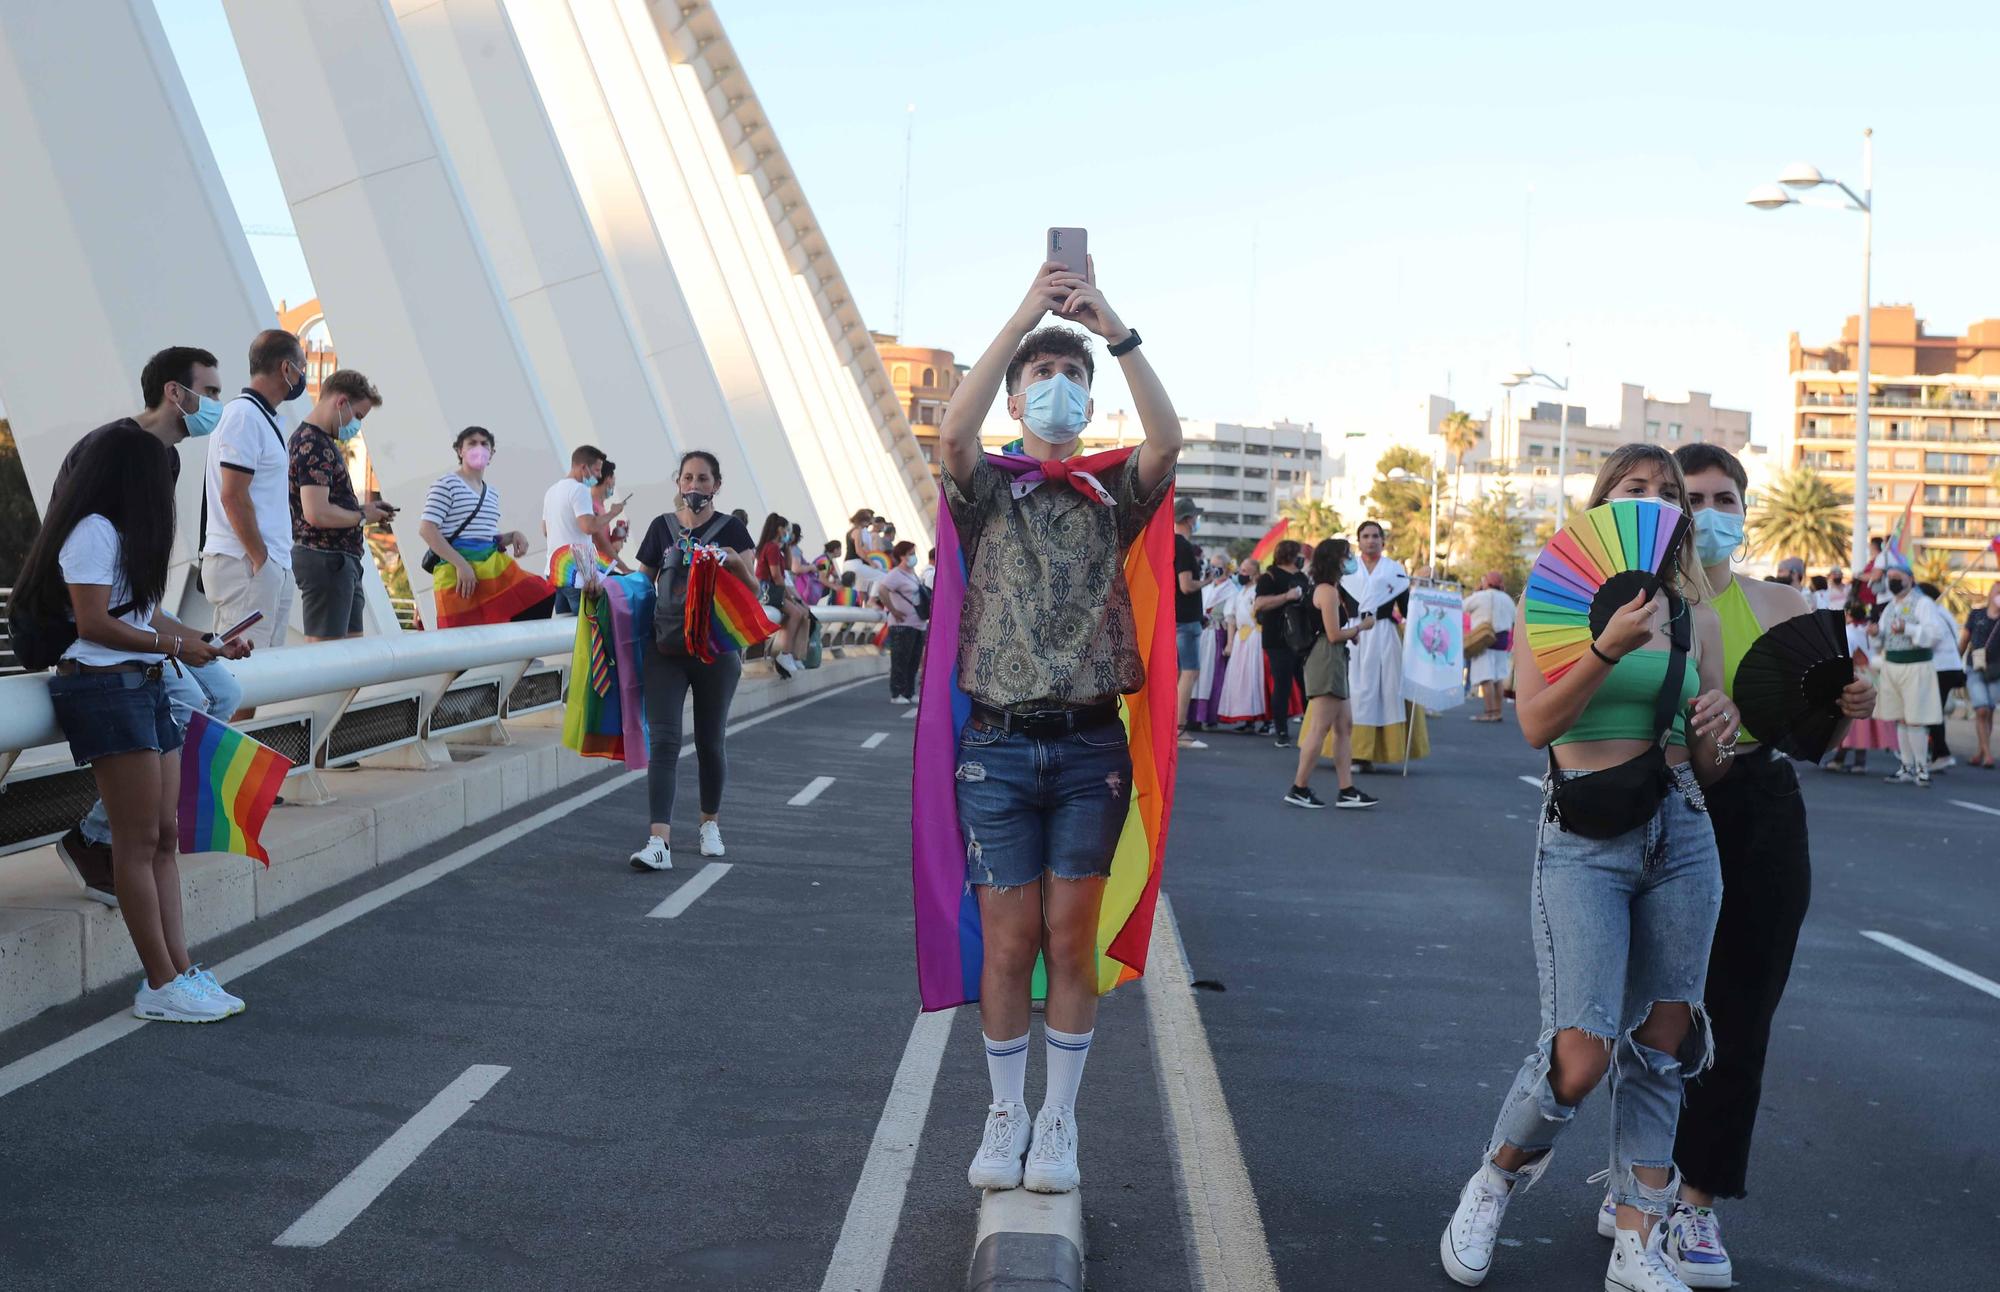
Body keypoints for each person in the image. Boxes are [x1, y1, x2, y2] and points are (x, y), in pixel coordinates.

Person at [1441, 443, 1738, 1292]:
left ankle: (1637, 1244)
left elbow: (1710, 764)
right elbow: (1534, 724)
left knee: (1662, 1044)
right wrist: (1605, 648)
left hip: (1682, 829)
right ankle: (1496, 1176)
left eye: (1665, 493)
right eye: (1634, 490)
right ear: (1602, 506)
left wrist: (1718, 731)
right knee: (1581, 1052)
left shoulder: (1695, 613)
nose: (1652, 502)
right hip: (1584, 835)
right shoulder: (1555, 599)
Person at [940, 256, 1179, 1197]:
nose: (1059, 390)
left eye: (1071, 376)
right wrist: (1026, 316)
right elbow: (953, 432)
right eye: (1040, 377)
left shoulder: (1110, 497)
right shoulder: (987, 494)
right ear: (1013, 398)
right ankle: (1004, 1115)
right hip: (995, 749)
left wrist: (1107, 324)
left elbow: (1168, 437)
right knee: (1008, 943)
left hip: (1088, 749)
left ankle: (1060, 1120)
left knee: (1070, 938)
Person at [1654, 443, 1876, 1286]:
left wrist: (1849, 706)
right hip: (1668, 802)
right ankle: (1642, 1173)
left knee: (1741, 1015)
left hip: (1763, 814)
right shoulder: (1643, 607)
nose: (1712, 514)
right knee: (1654, 1015)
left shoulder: (1785, 604)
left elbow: (1814, 731)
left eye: (1726, 499)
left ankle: (1697, 1204)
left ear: (1746, 512)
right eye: (1694, 498)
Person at [15, 426, 254, 1022]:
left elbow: (142, 612)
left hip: (142, 686)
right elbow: (93, 624)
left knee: (165, 838)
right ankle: (159, 982)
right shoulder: (91, 531)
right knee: (138, 840)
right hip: (104, 690)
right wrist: (176, 644)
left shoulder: (123, 533)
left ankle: (180, 970)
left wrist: (206, 641)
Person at [50, 347, 248, 907]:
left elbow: (142, 582)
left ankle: (102, 834)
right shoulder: (108, 451)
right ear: (173, 391)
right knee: (189, 706)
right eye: (208, 391)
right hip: (98, 638)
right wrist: (167, 642)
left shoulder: (168, 459)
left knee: (223, 691)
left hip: (137, 619)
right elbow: (85, 571)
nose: (216, 403)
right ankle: (97, 838)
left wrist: (198, 639)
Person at [627, 450, 758, 871]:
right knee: (663, 742)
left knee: (709, 741)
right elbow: (640, 586)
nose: (695, 487)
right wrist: (602, 590)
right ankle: (658, 841)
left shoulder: (733, 530)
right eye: (688, 478)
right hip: (664, 648)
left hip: (716, 652)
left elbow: (753, 589)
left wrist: (733, 561)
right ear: (678, 483)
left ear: (717, 485)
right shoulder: (660, 528)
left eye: (704, 479)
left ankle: (708, 824)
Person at [203, 328, 309, 651]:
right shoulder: (244, 416)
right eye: (301, 368)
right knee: (244, 677)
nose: (302, 377)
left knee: (261, 678)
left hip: (265, 564)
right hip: (247, 565)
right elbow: (233, 495)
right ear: (286, 369)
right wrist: (261, 561)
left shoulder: (262, 417)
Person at [289, 369, 390, 643]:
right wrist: (361, 516)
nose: (357, 425)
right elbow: (316, 512)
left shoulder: (319, 442)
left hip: (339, 562)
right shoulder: (314, 445)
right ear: (341, 402)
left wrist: (366, 512)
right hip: (326, 559)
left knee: (349, 658)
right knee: (328, 659)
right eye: (358, 416)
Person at [417, 427, 551, 627]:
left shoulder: (492, 493)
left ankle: (518, 658)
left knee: (541, 597)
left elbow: (484, 536)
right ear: (460, 450)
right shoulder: (446, 484)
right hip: (457, 573)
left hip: (491, 567)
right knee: (465, 637)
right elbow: (427, 529)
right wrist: (461, 565)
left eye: (484, 444)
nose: (478, 448)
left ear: (491, 453)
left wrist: (514, 535)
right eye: (472, 443)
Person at [1284, 538, 1377, 808]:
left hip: (1332, 657)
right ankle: (1299, 787)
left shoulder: (1329, 588)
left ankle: (1346, 789)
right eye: (1346, 555)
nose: (1351, 560)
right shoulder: (1327, 591)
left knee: (1344, 726)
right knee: (1320, 727)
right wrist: (1362, 628)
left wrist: (1352, 634)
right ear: (1334, 559)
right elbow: (1334, 634)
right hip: (1326, 658)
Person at [1344, 521, 1428, 766]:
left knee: (1384, 693)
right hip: (1352, 634)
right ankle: (1348, 749)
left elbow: (1406, 609)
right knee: (1352, 691)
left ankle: (1372, 752)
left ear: (1383, 541)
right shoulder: (1346, 570)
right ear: (1358, 541)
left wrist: (1424, 591)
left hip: (1383, 635)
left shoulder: (1395, 570)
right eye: (1366, 536)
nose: (1371, 540)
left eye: (1375, 536)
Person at [1870, 559, 1944, 786]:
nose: (1891, 582)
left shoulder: (1923, 604)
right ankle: (1906, 766)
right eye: (1889, 578)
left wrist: (1908, 628)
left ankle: (1922, 768)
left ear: (1910, 580)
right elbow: (1881, 639)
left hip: (1916, 666)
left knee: (1916, 719)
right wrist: (1874, 633)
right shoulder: (1890, 607)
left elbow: (1934, 634)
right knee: (1901, 718)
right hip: (1892, 666)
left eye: (1896, 578)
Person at [543, 445, 625, 615]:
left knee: (566, 632)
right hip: (577, 574)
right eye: (596, 470)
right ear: (583, 467)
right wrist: (613, 513)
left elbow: (545, 530)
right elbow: (588, 527)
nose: (599, 476)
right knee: (587, 628)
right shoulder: (579, 489)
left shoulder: (552, 491)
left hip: (555, 571)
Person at [1822, 603, 1898, 774]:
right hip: (1871, 675)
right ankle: (1859, 761)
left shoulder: (1848, 631)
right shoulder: (1868, 630)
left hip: (1854, 674)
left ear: (1848, 613)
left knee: (1849, 718)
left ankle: (1839, 759)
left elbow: (1844, 655)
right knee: (1866, 720)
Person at [1254, 540, 1311, 748]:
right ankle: (1281, 731)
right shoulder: (1269, 577)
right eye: (1298, 554)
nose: (1302, 558)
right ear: (1289, 554)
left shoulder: (1302, 577)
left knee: (1306, 684)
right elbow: (1260, 603)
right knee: (1283, 684)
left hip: (1301, 637)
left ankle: (1311, 728)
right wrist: (1286, 596)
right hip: (1277, 637)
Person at [1171, 497, 1209, 749]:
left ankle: (1173, 728)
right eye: (1194, 517)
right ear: (1188, 518)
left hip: (1177, 617)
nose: (1196, 521)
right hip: (1186, 619)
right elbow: (1186, 586)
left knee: (1179, 674)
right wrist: (1206, 582)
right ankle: (1180, 730)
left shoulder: (1170, 543)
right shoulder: (1182, 546)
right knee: (1189, 672)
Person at [1215, 558, 1268, 730]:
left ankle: (1263, 718)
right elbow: (1231, 619)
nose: (1241, 574)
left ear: (1255, 573)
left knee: (1256, 677)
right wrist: (1230, 643)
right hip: (1242, 639)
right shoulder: (1239, 593)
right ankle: (1248, 718)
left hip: (1256, 637)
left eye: (1245, 571)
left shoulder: (1258, 591)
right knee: (1242, 680)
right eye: (1241, 570)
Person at [1917, 582, 1964, 771]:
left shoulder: (1931, 613)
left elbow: (1931, 638)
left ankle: (1942, 754)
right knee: (1935, 711)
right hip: (1952, 666)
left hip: (1940, 668)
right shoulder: (1944, 612)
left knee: (1932, 712)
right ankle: (1937, 753)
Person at [753, 512, 805, 678]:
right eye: (785, 529)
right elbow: (777, 576)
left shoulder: (773, 548)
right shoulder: (772, 548)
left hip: (769, 589)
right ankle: (785, 653)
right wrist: (789, 597)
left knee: (800, 613)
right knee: (796, 613)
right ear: (779, 529)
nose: (787, 532)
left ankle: (791, 654)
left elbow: (788, 566)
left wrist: (788, 546)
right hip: (769, 590)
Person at [873, 539, 925, 703]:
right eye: (910, 554)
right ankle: (897, 693)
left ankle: (909, 692)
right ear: (902, 556)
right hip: (902, 625)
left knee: (913, 660)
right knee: (900, 659)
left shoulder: (913, 574)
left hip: (918, 623)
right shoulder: (895, 574)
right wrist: (893, 610)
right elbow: (882, 590)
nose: (913, 557)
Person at [1464, 571, 1516, 722]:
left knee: (1485, 677)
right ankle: (1498, 712)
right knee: (1498, 678)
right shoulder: (1507, 599)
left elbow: (1463, 606)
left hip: (1484, 640)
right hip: (1502, 642)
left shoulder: (1480, 596)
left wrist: (1476, 591)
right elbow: (1514, 619)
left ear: (1486, 582)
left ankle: (1489, 712)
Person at [1963, 585, 2000, 768]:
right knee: (1982, 709)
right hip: (1975, 667)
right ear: (1990, 594)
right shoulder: (1977, 615)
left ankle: (1981, 750)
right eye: (1997, 591)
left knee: (1990, 710)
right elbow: (1964, 639)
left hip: (1995, 671)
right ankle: (1987, 754)